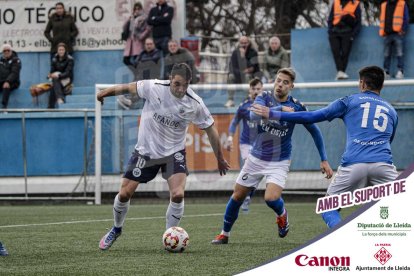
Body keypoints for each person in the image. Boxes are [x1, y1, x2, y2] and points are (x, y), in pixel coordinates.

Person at [97, 63, 230, 250]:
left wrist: (220, 158)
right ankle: (116, 229)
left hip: (173, 153)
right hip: (145, 151)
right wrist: (104, 93)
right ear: (170, 79)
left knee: (177, 194)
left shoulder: (195, 103)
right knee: (125, 193)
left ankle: (170, 235)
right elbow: (127, 87)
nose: (181, 89)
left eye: (185, 85)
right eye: (177, 84)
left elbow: (210, 129)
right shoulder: (154, 87)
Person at [251, 65, 398, 229]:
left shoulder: (348, 101)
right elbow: (389, 140)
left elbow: (312, 116)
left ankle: (343, 239)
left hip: (353, 164)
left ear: (362, 84)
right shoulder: (391, 111)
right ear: (382, 86)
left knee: (328, 207)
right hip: (384, 165)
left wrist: (273, 113)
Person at [212, 68, 333, 244]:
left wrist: (323, 159)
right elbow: (253, 115)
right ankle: (224, 234)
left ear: (291, 86)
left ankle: (282, 214)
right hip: (256, 157)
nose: (280, 85)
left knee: (271, 198)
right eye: (278, 81)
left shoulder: (297, 106)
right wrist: (279, 109)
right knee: (237, 196)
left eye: (285, 82)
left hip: (280, 161)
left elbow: (315, 131)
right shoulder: (264, 97)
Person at [327, 0, 361, 80]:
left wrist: (353, 35)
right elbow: (330, 18)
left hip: (347, 32)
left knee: (345, 52)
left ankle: (341, 72)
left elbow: (358, 22)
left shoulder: (355, 3)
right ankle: (340, 72)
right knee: (336, 52)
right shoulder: (336, 2)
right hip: (334, 32)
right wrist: (330, 31)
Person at [225, 36, 261, 107]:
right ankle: (230, 100)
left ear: (249, 43)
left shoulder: (253, 52)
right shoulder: (235, 52)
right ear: (239, 43)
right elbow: (231, 67)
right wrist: (241, 72)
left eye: (245, 43)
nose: (244, 45)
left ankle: (248, 99)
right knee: (230, 76)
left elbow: (252, 67)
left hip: (250, 76)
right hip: (238, 75)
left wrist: (243, 57)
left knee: (247, 76)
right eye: (242, 43)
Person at [379, 0, 410, 79]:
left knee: (400, 53)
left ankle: (400, 71)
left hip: (398, 33)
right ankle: (386, 72)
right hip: (387, 34)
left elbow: (406, 18)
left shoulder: (402, 3)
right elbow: (382, 18)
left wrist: (403, 30)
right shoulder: (384, 5)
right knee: (386, 54)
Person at [122, 2, 151, 71]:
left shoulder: (144, 18)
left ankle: (138, 75)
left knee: (137, 60)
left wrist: (141, 36)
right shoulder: (132, 18)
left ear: (141, 9)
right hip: (130, 42)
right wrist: (129, 19)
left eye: (138, 9)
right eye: (135, 9)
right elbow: (124, 27)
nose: (137, 10)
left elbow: (148, 29)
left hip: (138, 42)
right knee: (125, 60)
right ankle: (136, 72)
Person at [47, 43, 74, 108]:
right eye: (59, 50)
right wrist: (49, 76)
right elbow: (52, 72)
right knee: (54, 84)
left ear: (65, 50)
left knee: (55, 81)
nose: (61, 51)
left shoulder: (70, 59)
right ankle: (52, 106)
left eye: (62, 50)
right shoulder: (54, 59)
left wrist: (58, 76)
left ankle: (59, 99)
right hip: (57, 80)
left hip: (67, 79)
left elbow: (68, 73)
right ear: (57, 51)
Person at [0, 44, 21, 109]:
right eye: (4, 51)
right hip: (1, 81)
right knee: (4, 84)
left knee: (6, 85)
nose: (6, 52)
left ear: (11, 51)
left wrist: (8, 81)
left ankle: (4, 107)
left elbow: (14, 73)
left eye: (8, 50)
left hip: (13, 82)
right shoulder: (0, 61)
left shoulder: (16, 60)